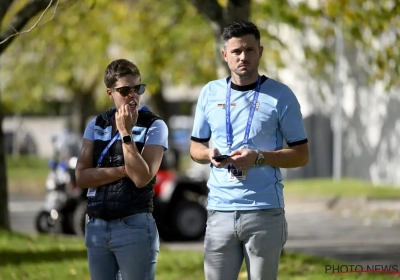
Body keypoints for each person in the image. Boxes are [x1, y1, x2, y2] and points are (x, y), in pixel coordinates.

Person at [190, 21, 309, 280]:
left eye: (250, 50)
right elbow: (195, 147)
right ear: (225, 55)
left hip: (264, 212)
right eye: (236, 51)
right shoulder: (210, 93)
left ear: (260, 52)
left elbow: (301, 154)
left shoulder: (281, 95)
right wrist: (208, 154)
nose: (243, 57)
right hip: (219, 211)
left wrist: (260, 158)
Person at [75, 59, 168, 280]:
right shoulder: (96, 125)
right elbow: (81, 177)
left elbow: (141, 179)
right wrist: (122, 171)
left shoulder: (155, 125)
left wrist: (126, 134)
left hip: (134, 226)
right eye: (125, 90)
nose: (133, 95)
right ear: (110, 93)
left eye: (138, 88)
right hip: (97, 226)